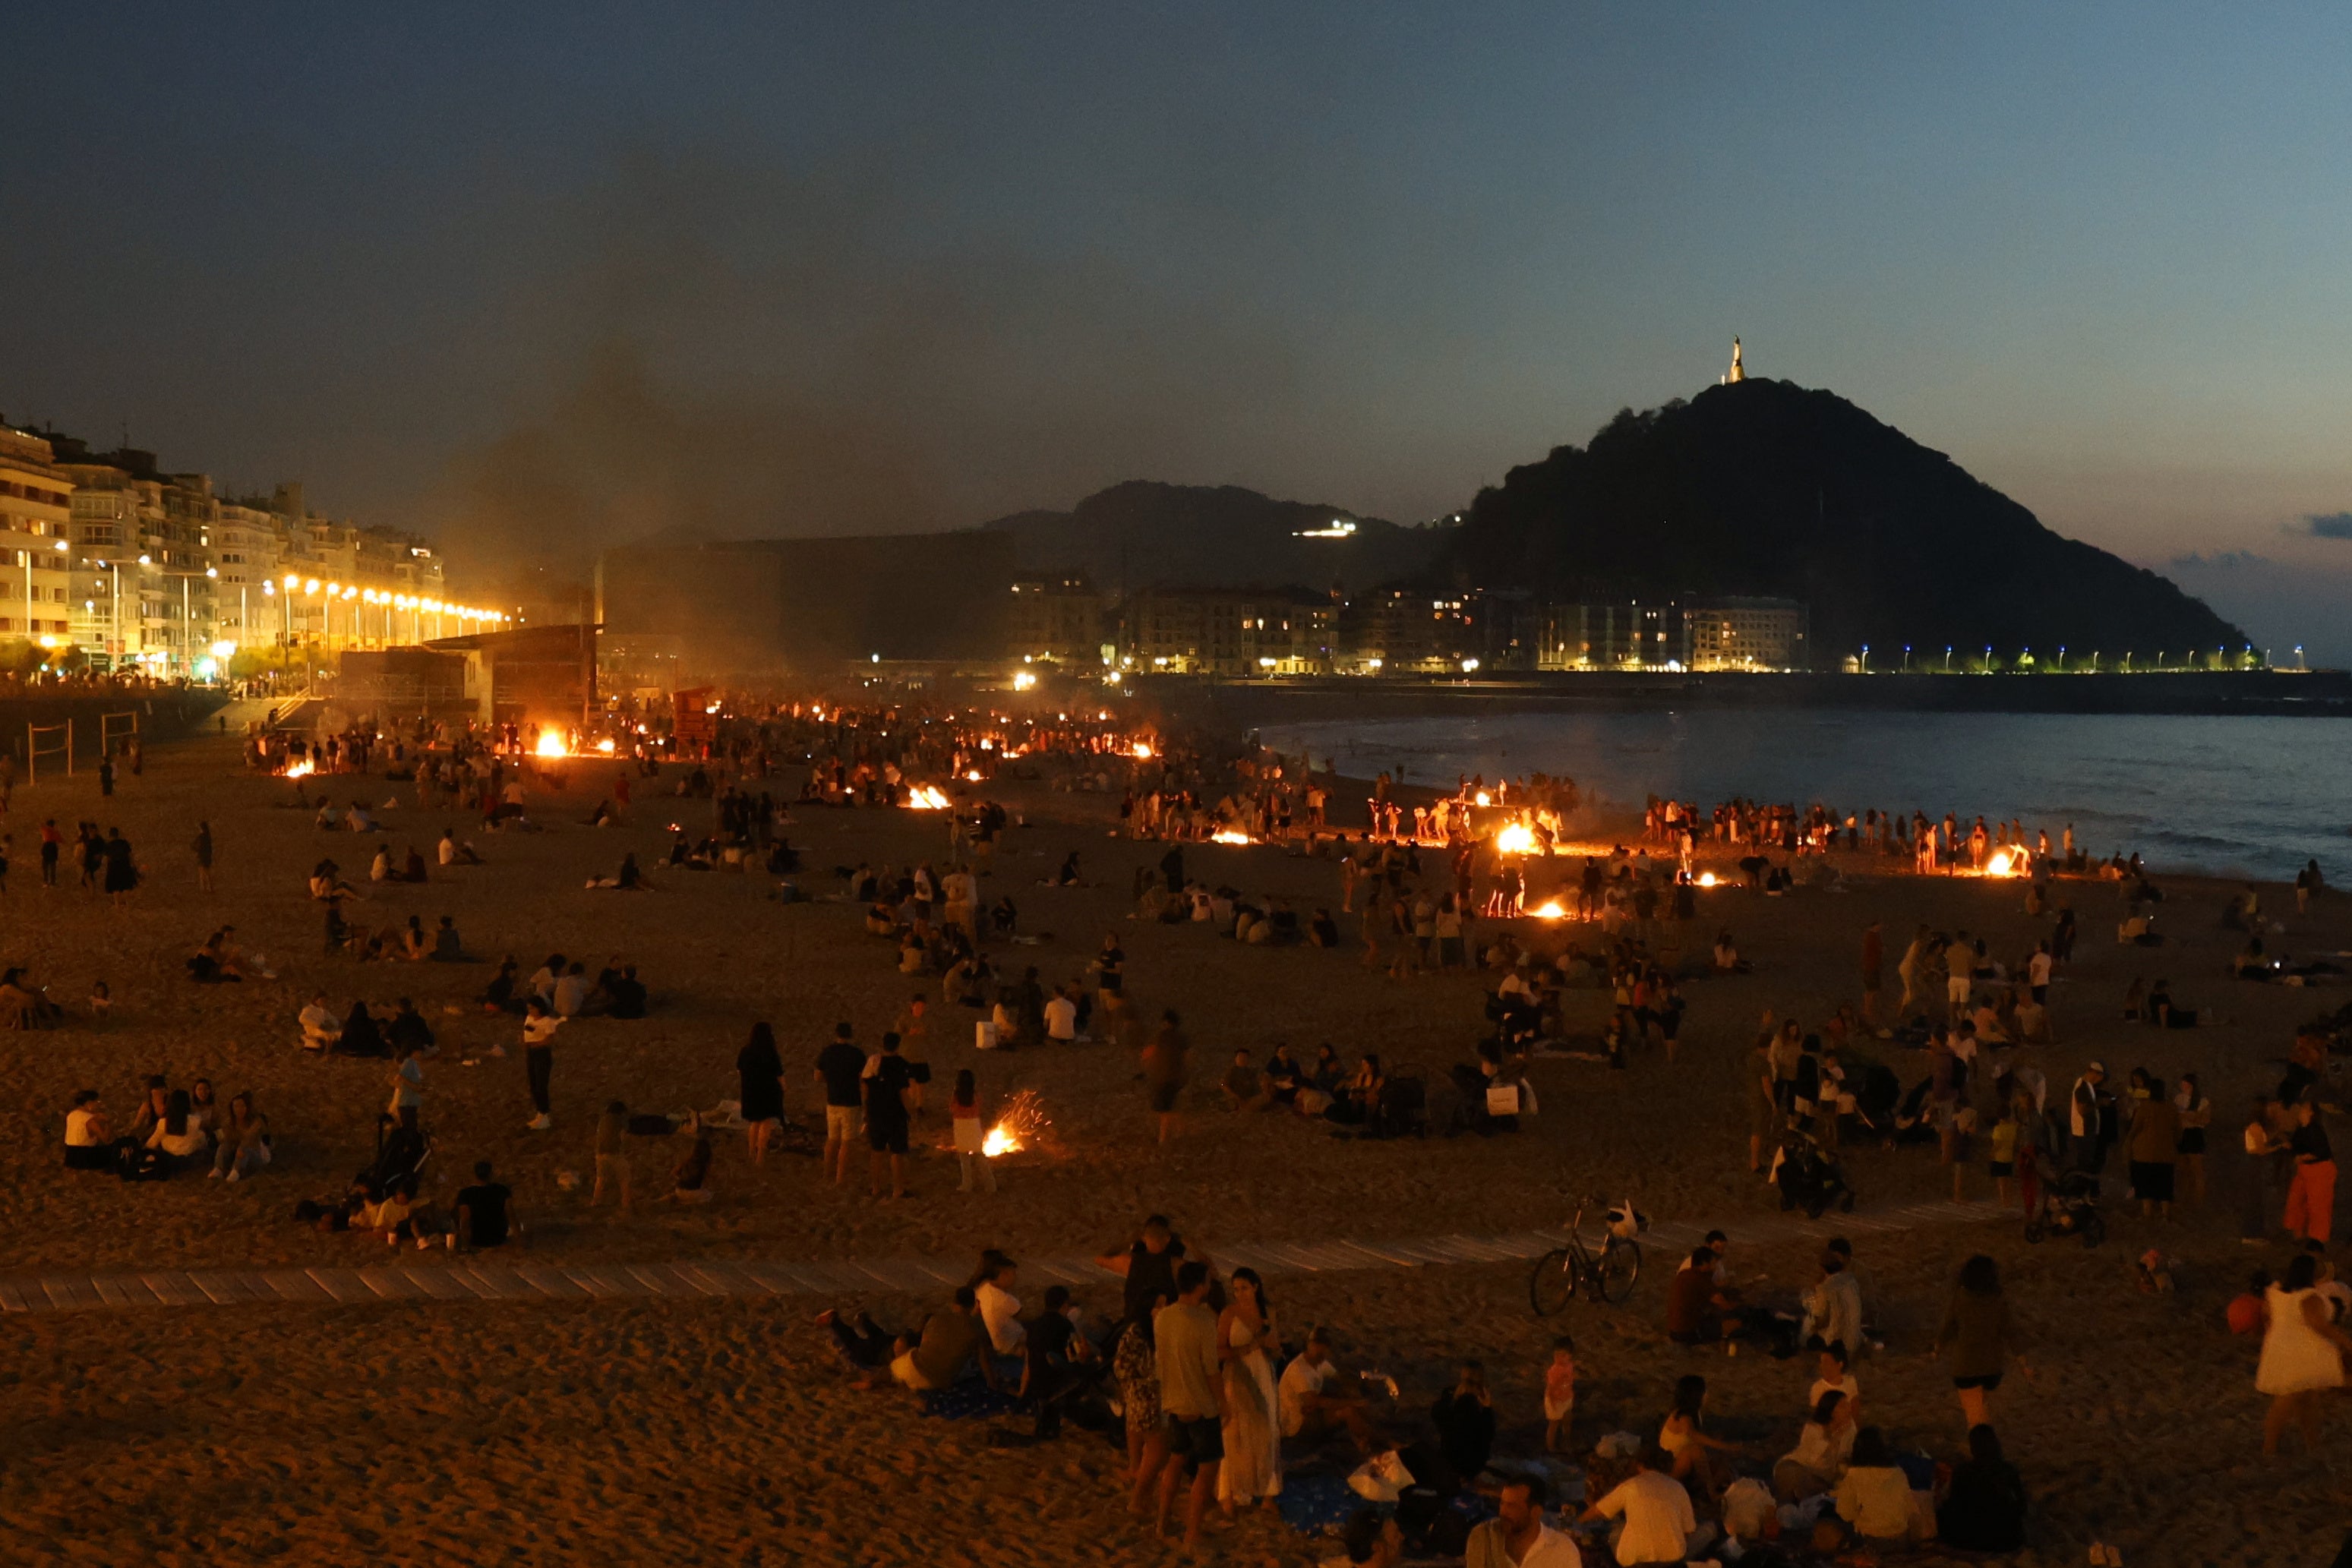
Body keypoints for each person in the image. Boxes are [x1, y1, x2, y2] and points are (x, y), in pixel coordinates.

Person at [1140, 1261, 1225, 1550]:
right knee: (1206, 1469)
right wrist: (1223, 1403)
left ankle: (1162, 1523)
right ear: (1200, 1286)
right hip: (1200, 1405)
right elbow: (1211, 1370)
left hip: (1173, 1402)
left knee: (1176, 1460)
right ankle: (1192, 1533)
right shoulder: (1203, 1321)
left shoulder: (1163, 1316)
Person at [2256, 1251, 2352, 1455]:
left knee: (2306, 1400)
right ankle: (2269, 1447)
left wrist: (2274, 1335)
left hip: (2281, 1348)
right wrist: (2345, 1342)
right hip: (2303, 1353)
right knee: (2287, 1401)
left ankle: (2311, 1445)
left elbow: (2266, 1315)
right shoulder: (2309, 1297)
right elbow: (2319, 1324)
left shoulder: (2275, 1294)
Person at [1215, 1267, 1282, 1513]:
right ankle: (1229, 1493)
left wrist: (1270, 1347)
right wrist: (1248, 1347)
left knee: (1267, 1430)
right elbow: (1219, 1350)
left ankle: (1267, 1493)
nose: (1240, 1294)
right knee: (1234, 1433)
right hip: (1237, 1374)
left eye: (1244, 1288)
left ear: (1255, 1287)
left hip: (1263, 1372)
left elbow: (1276, 1349)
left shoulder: (1268, 1312)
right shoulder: (1229, 1314)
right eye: (1236, 1289)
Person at [1934, 1254, 2028, 1428]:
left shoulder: (1960, 1299)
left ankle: (1981, 1439)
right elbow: (2011, 1332)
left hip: (1966, 1368)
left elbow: (1948, 1327)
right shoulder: (1998, 1302)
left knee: (1975, 1417)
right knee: (1982, 1406)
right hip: (1992, 1368)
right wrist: (2023, 1361)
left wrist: (1938, 1347)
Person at [1577, 1443, 1697, 1565]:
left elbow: (1598, 1511)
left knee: (1616, 1532)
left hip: (1637, 1560)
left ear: (1639, 1465)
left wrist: (1578, 1522)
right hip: (1673, 1559)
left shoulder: (1632, 1486)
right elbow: (1688, 1530)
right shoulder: (1678, 1488)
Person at [1277, 1327, 1378, 1453]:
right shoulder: (1298, 1370)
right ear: (1309, 1345)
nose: (1322, 1352)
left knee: (1348, 1394)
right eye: (1318, 1347)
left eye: (1324, 1349)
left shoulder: (1319, 1362)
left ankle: (1366, 1437)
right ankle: (1372, 1441)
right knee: (1347, 1411)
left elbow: (1340, 1378)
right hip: (1296, 1428)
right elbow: (1316, 1402)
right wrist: (1353, 1402)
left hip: (1310, 1414)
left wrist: (1363, 1383)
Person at [1938, 1424, 2027, 1551]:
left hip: (1970, 1539)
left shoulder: (1963, 1471)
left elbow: (1955, 1505)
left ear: (1973, 1448)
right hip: (2005, 1540)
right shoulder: (2007, 1470)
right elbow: (2021, 1506)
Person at [891, 1287, 996, 1395]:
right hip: (935, 1383)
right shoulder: (976, 1330)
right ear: (973, 1305)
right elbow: (985, 1364)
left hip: (909, 1370)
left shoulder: (936, 1318)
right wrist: (994, 1386)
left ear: (954, 1304)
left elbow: (925, 1345)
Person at [1467, 1475, 1580, 1568]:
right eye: (1502, 1503)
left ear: (1536, 1512)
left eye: (1512, 1506)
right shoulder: (1484, 1536)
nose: (1503, 1512)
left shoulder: (1563, 1550)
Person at [1832, 1427, 1918, 1547]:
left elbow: (1845, 1512)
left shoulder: (1855, 1475)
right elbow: (1908, 1507)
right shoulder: (1898, 1472)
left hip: (1871, 1537)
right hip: (1900, 1537)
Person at [1658, 1374, 1738, 1501]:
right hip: (1671, 1466)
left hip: (1687, 1466)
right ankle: (1710, 1493)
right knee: (1695, 1451)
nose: (1707, 1395)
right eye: (1704, 1392)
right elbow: (1695, 1436)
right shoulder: (1682, 1416)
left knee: (1722, 1464)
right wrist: (1725, 1446)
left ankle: (1704, 1491)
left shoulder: (1695, 1414)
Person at [1773, 1387, 1855, 1501]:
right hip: (1799, 1467)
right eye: (1843, 1406)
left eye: (1848, 1405)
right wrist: (1834, 1439)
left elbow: (1846, 1457)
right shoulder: (1813, 1428)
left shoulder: (1850, 1429)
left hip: (1822, 1479)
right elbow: (1813, 1459)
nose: (1848, 1410)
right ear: (1832, 1411)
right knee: (1795, 1477)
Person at [863, 1030, 914, 1199]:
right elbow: (903, 1093)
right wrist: (912, 1113)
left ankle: (876, 1188)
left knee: (876, 1151)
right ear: (898, 1046)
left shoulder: (874, 1062)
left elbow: (865, 1086)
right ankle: (898, 1189)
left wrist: (866, 1109)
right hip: (895, 1114)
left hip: (875, 1112)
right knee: (897, 1153)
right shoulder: (901, 1064)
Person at [814, 1023, 865, 1186]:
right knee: (846, 1142)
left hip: (833, 1100)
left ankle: (826, 1174)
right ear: (850, 1034)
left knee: (832, 1139)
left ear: (836, 1034)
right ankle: (840, 1178)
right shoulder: (857, 1054)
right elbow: (863, 1078)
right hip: (851, 1102)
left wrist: (831, 1081)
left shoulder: (827, 1052)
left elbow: (817, 1076)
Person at [2128, 1070, 2182, 1220]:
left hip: (2144, 1153)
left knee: (2146, 1184)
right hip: (2166, 1153)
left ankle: (2147, 1213)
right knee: (2165, 1184)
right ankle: (2165, 1213)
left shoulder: (2145, 1107)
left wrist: (2130, 1141)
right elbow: (2178, 1130)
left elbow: (2135, 1128)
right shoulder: (2171, 1108)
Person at [1432, 1359, 1498, 1481]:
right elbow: (1440, 1421)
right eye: (1468, 1381)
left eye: (1473, 1382)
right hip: (1454, 1458)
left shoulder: (1477, 1402)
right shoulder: (1451, 1396)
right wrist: (1453, 1400)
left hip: (1469, 1463)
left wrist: (1486, 1408)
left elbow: (1487, 1435)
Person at [2285, 1099, 2336, 1245]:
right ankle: (2299, 1233)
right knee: (2297, 1200)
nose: (2300, 1110)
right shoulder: (2300, 1130)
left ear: (2311, 1113)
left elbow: (2320, 1152)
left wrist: (2301, 1157)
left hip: (2320, 1169)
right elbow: (2295, 1146)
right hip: (2305, 1170)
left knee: (2318, 1205)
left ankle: (2318, 1239)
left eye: (2304, 1108)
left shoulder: (2315, 1130)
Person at [736, 1022, 786, 1166]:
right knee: (765, 1124)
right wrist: (784, 1088)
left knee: (754, 1123)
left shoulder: (745, 1051)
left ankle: (751, 1151)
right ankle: (760, 1156)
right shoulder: (770, 1053)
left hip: (751, 1092)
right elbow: (779, 1075)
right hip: (768, 1092)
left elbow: (739, 1070)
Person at [1142, 1008, 1189, 1145]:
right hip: (1175, 1077)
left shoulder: (1161, 1037)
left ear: (1166, 1022)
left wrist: (1149, 1068)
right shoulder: (1181, 1038)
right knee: (1172, 1106)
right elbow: (1188, 1057)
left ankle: (1163, 1138)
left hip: (1163, 1077)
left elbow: (1149, 1054)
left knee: (1164, 1109)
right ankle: (1178, 1131)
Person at [208, 1091, 271, 1182]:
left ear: (247, 1107)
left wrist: (241, 1147)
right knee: (223, 1146)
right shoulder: (230, 1123)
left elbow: (250, 1138)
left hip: (255, 1154)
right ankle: (218, 1169)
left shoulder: (256, 1121)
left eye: (242, 1106)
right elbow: (228, 1140)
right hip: (238, 1153)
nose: (239, 1109)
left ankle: (236, 1172)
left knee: (244, 1149)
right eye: (236, 1106)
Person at [521, 998, 564, 1131]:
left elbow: (549, 1040)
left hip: (541, 1054)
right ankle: (540, 1112)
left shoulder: (547, 1021)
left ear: (539, 1008)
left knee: (541, 1085)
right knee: (533, 1084)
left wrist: (535, 1044)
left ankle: (544, 1114)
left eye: (532, 1008)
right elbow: (528, 1033)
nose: (530, 1011)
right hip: (531, 1053)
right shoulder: (529, 1018)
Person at [950, 1070, 994, 1194]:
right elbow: (979, 1107)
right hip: (974, 1125)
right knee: (979, 1155)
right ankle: (991, 1185)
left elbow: (952, 1108)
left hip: (960, 1126)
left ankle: (967, 1184)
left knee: (964, 1158)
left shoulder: (956, 1096)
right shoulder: (975, 1095)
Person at [64, 1090, 115, 1171]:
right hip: (86, 1156)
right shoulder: (90, 1120)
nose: (98, 1104)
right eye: (96, 1102)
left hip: (70, 1155)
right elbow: (106, 1139)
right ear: (89, 1103)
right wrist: (108, 1123)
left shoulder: (71, 1115)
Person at [1543, 1333, 1577, 1453]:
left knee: (1567, 1420)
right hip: (1555, 1400)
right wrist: (1552, 1401)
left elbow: (1570, 1381)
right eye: (1557, 1355)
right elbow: (1550, 1388)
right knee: (1554, 1424)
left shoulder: (1569, 1366)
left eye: (1563, 1355)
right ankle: (1551, 1446)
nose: (1559, 1358)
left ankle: (1566, 1440)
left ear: (1570, 1356)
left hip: (1566, 1398)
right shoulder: (1554, 1370)